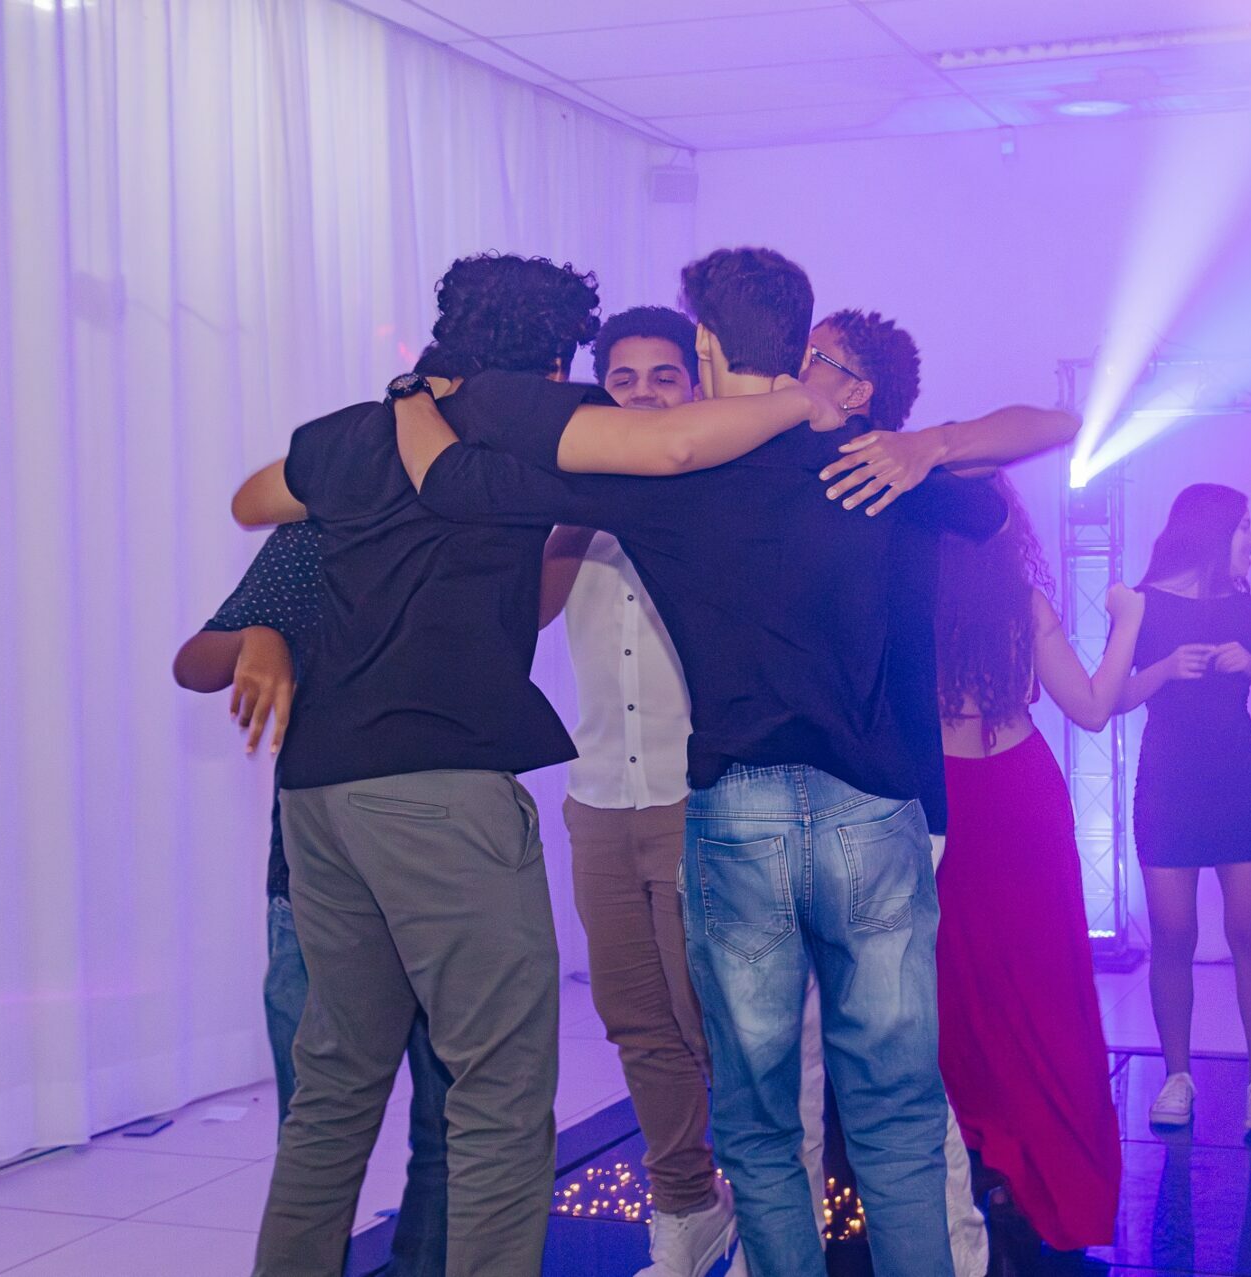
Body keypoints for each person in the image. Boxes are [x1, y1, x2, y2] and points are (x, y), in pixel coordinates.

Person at [393, 247, 1008, 1277]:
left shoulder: (663, 479)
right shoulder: (868, 454)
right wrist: (928, 443)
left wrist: (419, 393)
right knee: (892, 1103)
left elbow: (459, 478)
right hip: (868, 804)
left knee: (760, 1111)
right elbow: (991, 502)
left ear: (707, 349)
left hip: (735, 803)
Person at [232, 251, 835, 1277]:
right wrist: (800, 400)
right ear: (556, 363)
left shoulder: (357, 429)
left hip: (319, 792)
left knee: (334, 1086)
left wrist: (367, 494)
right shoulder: (520, 418)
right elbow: (675, 444)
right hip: (440, 786)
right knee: (501, 1094)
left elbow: (255, 499)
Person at [801, 307, 1080, 1277]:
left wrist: (929, 446)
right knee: (870, 1023)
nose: (796, 369)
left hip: (929, 800)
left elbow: (1054, 423)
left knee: (926, 1013)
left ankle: (954, 1219)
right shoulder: (790, 473)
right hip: (852, 791)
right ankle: (871, 1210)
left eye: (815, 357)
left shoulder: (919, 487)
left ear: (860, 388)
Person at [173, 524, 453, 1276]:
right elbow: (194, 662)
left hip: (449, 884)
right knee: (317, 1134)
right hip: (314, 888)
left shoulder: (472, 524)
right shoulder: (317, 534)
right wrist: (258, 634)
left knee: (454, 1128)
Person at [535, 305, 741, 1277]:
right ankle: (686, 1206)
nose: (646, 394)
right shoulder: (573, 501)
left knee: (718, 1022)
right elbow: (531, 614)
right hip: (598, 796)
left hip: (698, 795)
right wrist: (580, 504)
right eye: (625, 379)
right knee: (637, 1019)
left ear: (694, 388)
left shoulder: (721, 493)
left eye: (666, 376)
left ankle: (768, 1206)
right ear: (601, 390)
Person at [930, 472, 1134, 1252]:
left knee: (955, 986)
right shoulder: (1024, 603)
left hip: (944, 800)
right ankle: (1051, 1173)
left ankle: (976, 1158)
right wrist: (1127, 622)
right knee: (1045, 990)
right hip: (1020, 796)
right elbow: (1091, 706)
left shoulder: (908, 599)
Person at [1120, 484, 1251, 1135]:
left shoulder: (1248, 611)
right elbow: (1112, 696)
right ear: (1213, 532)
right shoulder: (1143, 604)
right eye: (1244, 527)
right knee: (1173, 935)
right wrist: (1164, 669)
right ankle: (1177, 1076)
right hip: (1168, 786)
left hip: (1239, 784)